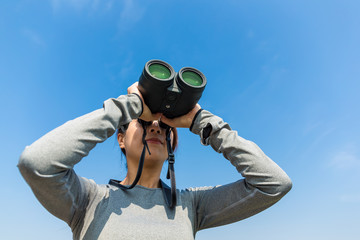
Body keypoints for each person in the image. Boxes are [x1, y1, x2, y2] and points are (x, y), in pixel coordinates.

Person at [18, 82, 292, 240]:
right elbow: (38, 162)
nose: (156, 128)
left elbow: (274, 184)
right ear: (121, 139)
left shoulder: (191, 206)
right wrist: (128, 106)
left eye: (165, 126)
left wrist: (204, 123)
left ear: (174, 141)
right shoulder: (89, 200)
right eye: (143, 123)